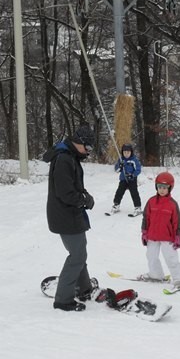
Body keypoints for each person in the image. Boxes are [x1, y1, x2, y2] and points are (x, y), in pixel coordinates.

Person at [43, 124, 97, 312]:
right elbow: (66, 193)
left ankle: (84, 288)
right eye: (88, 147)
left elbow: (73, 186)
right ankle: (63, 299)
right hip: (65, 215)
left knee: (79, 253)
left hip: (69, 214)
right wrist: (84, 200)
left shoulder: (70, 157)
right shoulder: (64, 159)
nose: (89, 152)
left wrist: (84, 196)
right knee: (77, 256)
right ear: (79, 143)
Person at [139, 172, 180, 290]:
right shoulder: (151, 201)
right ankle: (156, 275)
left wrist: (177, 237)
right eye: (159, 187)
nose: (162, 190)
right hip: (152, 236)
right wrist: (144, 232)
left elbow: (177, 222)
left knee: (171, 258)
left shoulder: (172, 204)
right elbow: (146, 217)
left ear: (170, 188)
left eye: (165, 188)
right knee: (151, 256)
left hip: (168, 237)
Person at [109, 144, 142, 215]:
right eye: (124, 152)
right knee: (119, 192)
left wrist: (132, 175)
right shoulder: (121, 160)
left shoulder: (134, 160)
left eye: (128, 152)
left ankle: (138, 207)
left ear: (131, 152)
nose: (126, 154)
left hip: (132, 179)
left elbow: (138, 170)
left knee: (134, 193)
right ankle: (116, 205)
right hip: (123, 179)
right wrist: (120, 166)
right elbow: (117, 170)